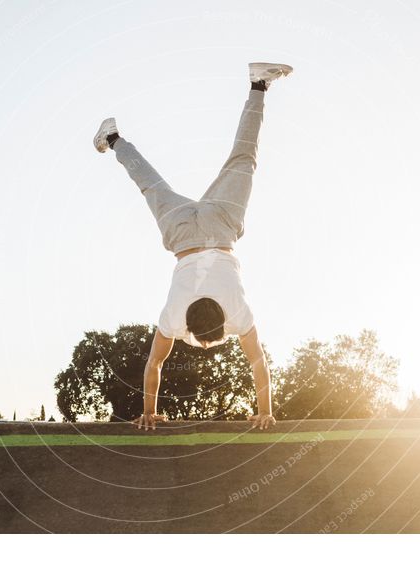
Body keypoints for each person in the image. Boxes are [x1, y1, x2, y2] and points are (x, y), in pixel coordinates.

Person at [93, 62, 293, 431]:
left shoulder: (238, 312)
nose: (206, 346)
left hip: (221, 226)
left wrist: (266, 409)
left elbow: (258, 363)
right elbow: (154, 364)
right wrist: (149, 410)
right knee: (150, 184)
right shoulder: (174, 315)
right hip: (182, 233)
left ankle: (259, 86)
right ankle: (114, 139)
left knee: (244, 159)